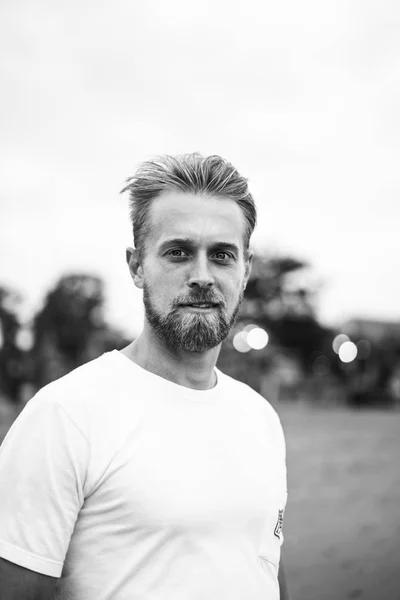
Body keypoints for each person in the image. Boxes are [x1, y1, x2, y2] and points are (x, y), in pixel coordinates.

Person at [0, 153, 289, 599]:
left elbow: (263, 569)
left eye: (222, 255)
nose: (202, 276)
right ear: (136, 266)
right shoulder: (65, 415)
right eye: (178, 252)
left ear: (245, 269)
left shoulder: (261, 416)